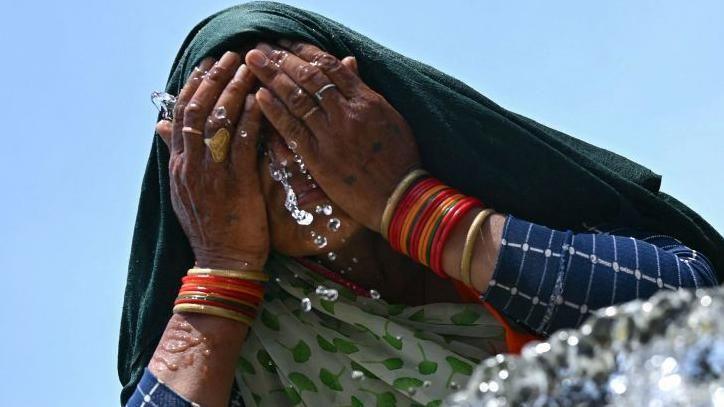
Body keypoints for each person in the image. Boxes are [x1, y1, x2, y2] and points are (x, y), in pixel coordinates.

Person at [120, 3, 722, 406]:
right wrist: (222, 267)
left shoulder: (497, 197)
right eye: (243, 140)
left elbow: (697, 311)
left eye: (306, 112)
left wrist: (407, 204)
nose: (287, 164)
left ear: (364, 105)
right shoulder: (255, 347)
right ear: (196, 181)